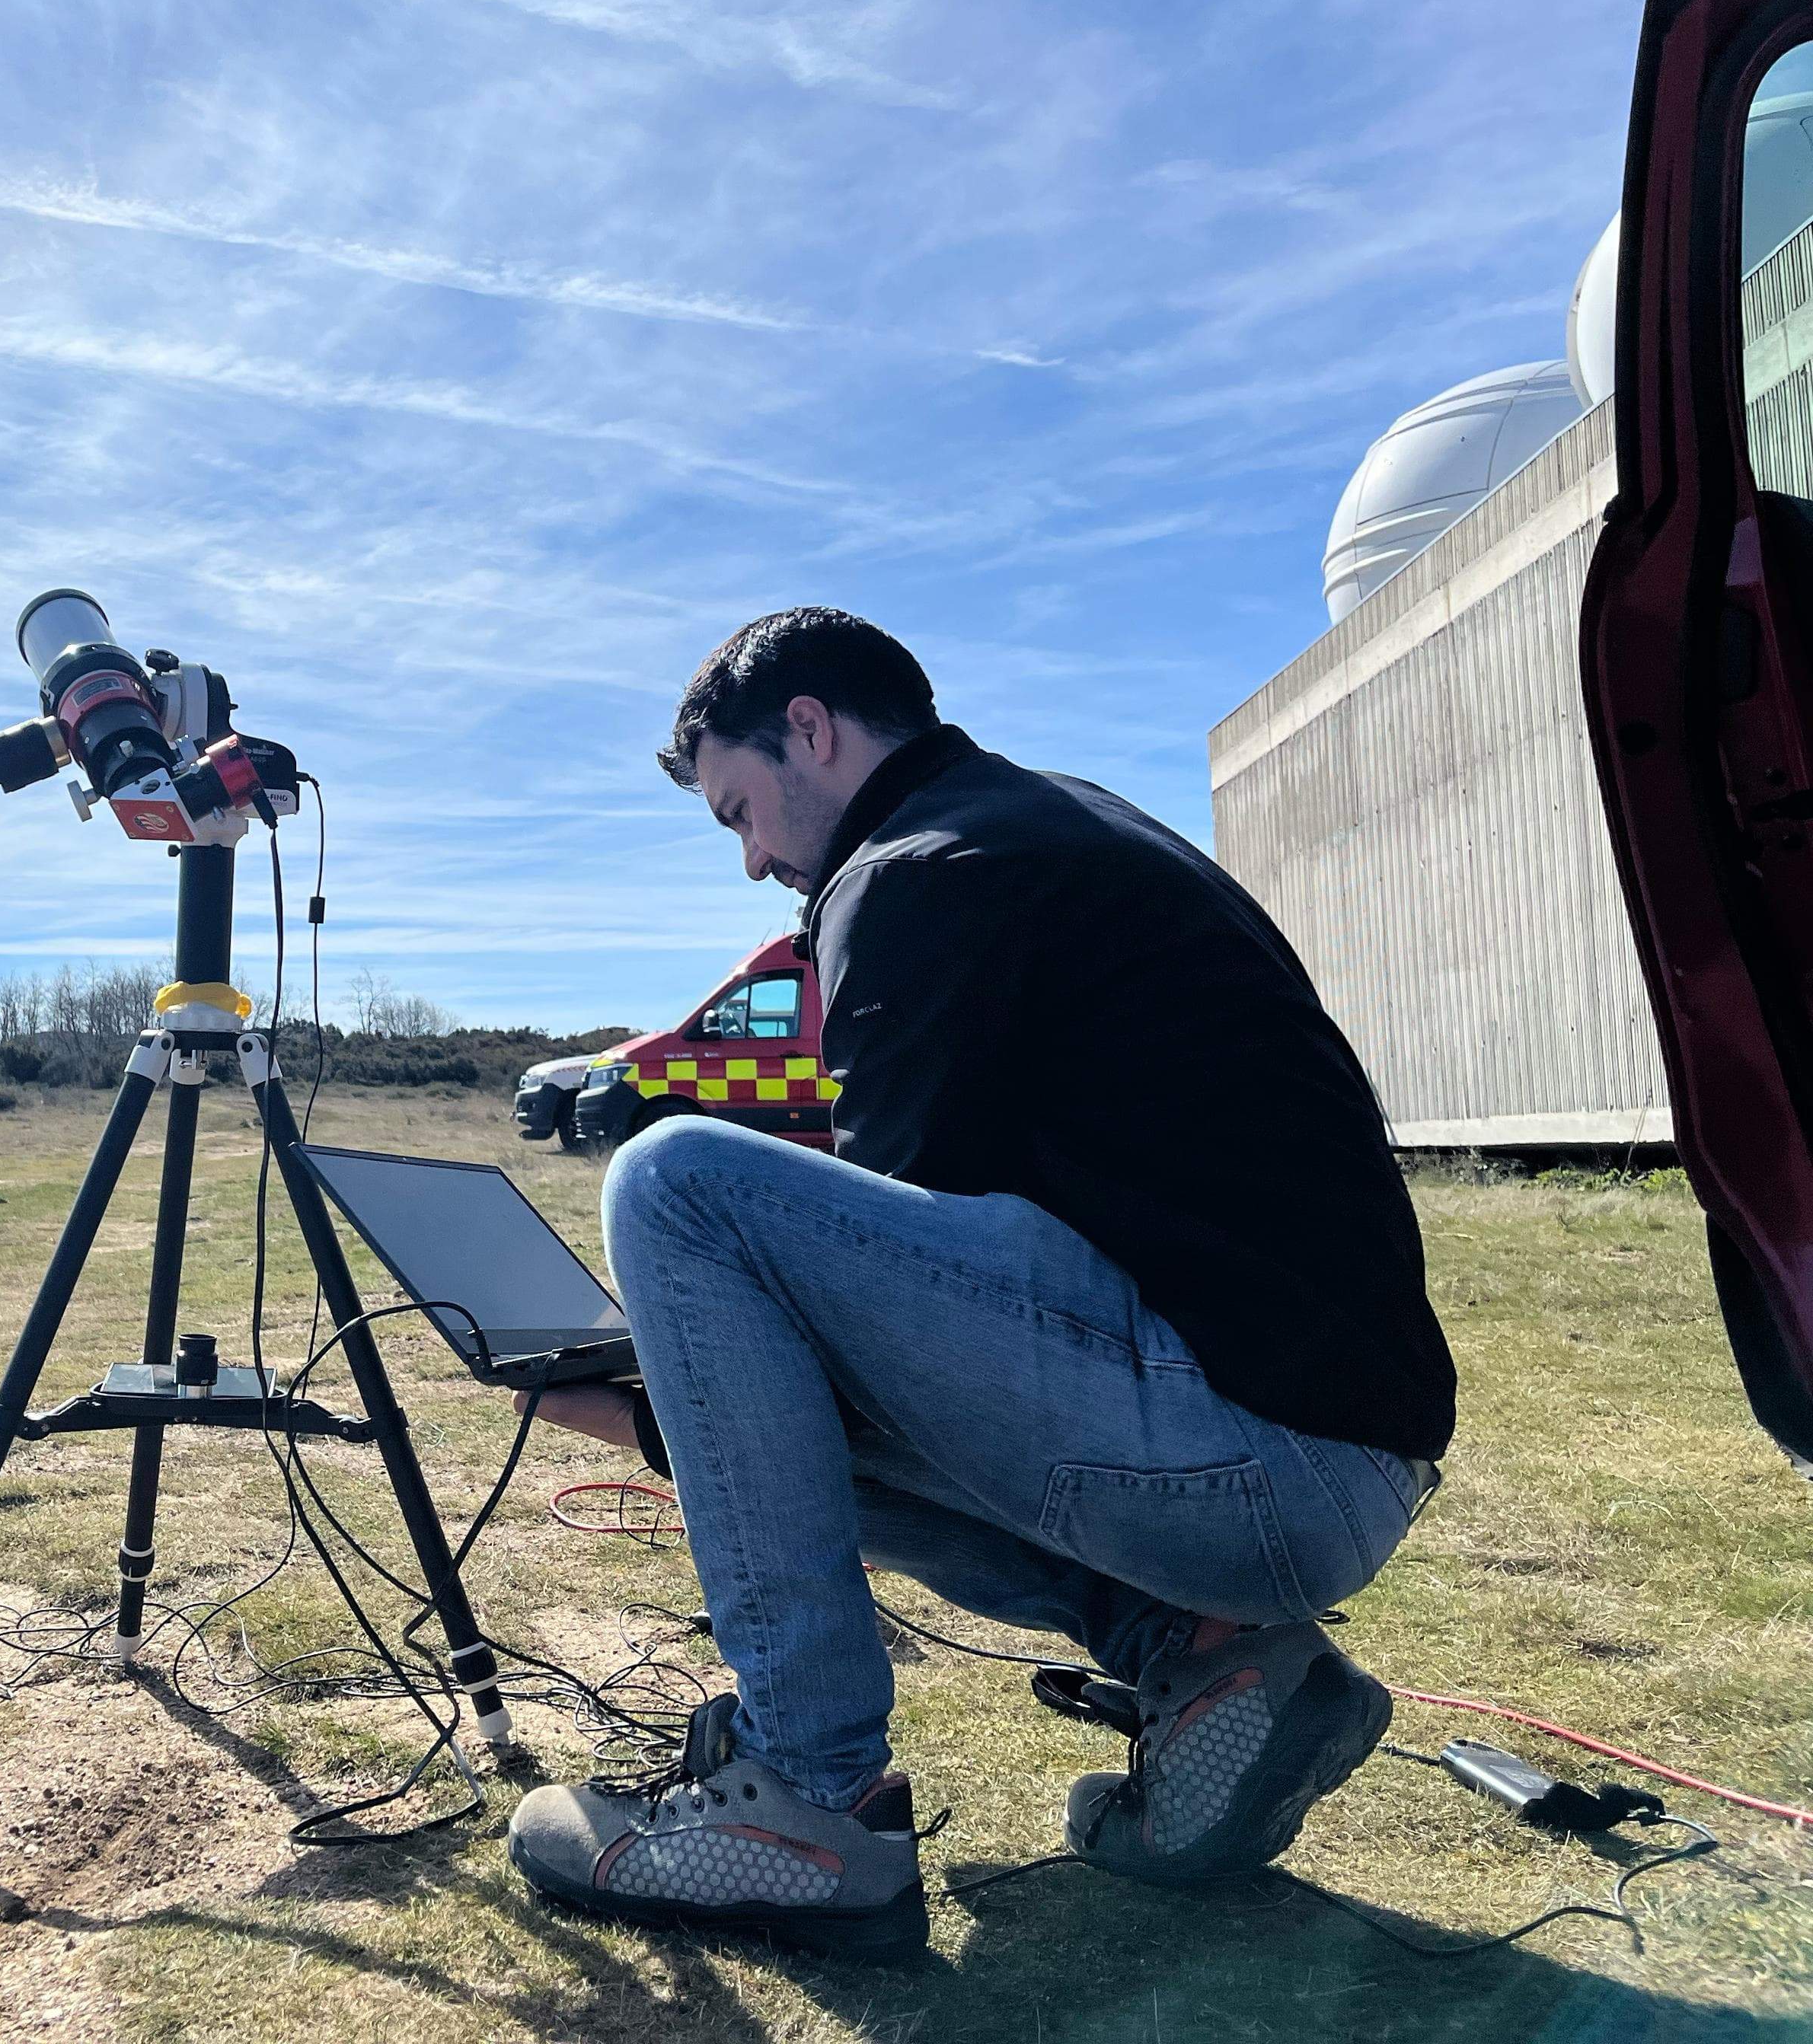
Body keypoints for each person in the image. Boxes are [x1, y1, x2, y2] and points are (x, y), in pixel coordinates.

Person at [505, 608, 1454, 1963]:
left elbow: (875, 1323)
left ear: (814, 732)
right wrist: (694, 1394)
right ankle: (1209, 1661)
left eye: (739, 812)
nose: (757, 859)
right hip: (1319, 1458)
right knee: (758, 1342)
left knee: (675, 1182)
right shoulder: (1048, 823)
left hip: (1247, 1453)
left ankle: (806, 1795)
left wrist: (672, 1400)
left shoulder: (909, 872)